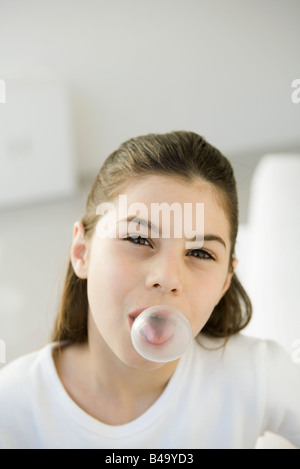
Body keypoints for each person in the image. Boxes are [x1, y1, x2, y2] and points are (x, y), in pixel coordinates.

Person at [0, 131, 299, 449]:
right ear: (81, 252)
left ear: (225, 281)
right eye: (139, 239)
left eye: (200, 254)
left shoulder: (256, 375)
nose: (168, 277)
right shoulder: (12, 406)